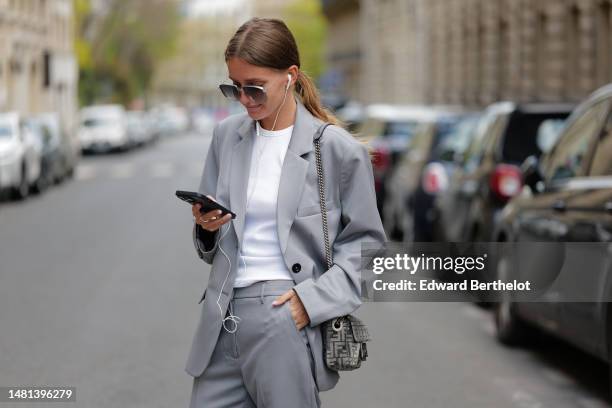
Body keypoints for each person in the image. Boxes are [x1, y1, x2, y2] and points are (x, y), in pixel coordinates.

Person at [186, 17, 386, 408]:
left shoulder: (336, 150)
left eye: (254, 88)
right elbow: (210, 247)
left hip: (284, 317)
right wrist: (207, 229)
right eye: (234, 87)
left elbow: (366, 246)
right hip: (221, 318)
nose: (244, 100)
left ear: (290, 76)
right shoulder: (227, 137)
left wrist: (308, 304)